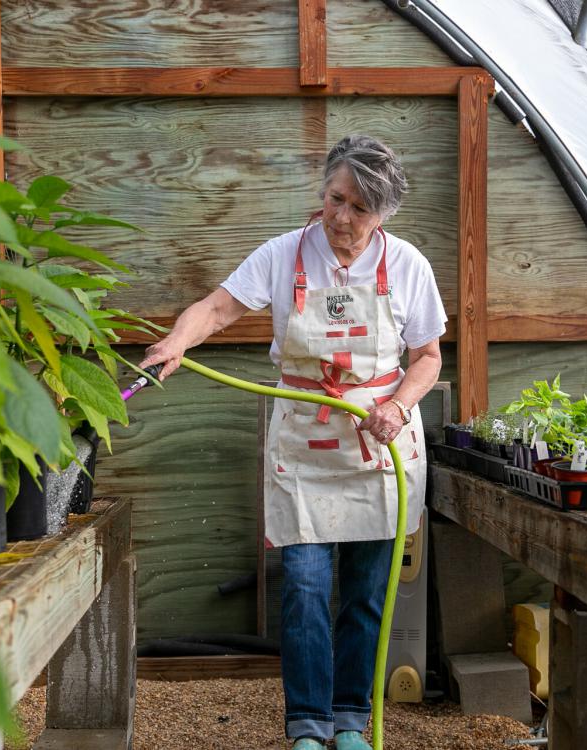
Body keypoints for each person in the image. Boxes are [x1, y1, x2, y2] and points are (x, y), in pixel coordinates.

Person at [140, 134, 446, 750]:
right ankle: (307, 724)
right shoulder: (285, 255)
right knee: (305, 584)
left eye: (360, 208)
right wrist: (177, 341)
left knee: (366, 592)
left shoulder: (407, 264)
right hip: (306, 444)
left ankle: (352, 719)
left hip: (376, 444)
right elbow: (219, 308)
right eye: (335, 198)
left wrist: (397, 405)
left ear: (383, 213)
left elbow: (428, 357)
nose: (341, 217)